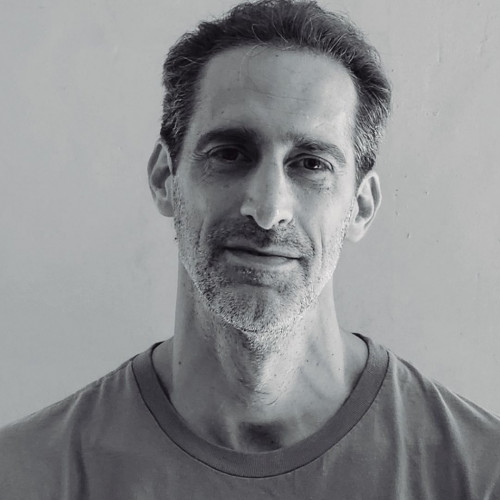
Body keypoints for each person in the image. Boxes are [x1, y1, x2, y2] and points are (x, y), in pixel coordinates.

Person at [1, 0, 499, 498]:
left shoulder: (480, 474)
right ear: (164, 178)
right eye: (230, 153)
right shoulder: (25, 475)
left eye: (311, 164)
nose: (267, 209)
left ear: (361, 206)